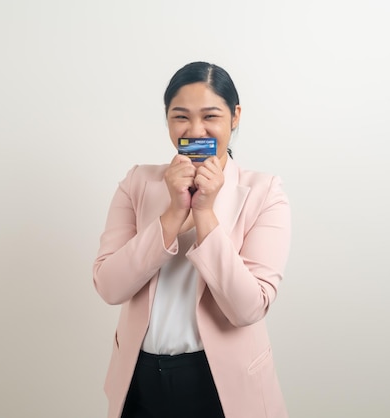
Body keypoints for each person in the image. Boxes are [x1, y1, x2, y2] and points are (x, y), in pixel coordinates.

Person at [93, 61, 291, 418]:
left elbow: (248, 308)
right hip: (138, 383)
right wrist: (172, 213)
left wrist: (204, 213)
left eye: (211, 116)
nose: (195, 129)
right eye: (180, 116)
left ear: (235, 116)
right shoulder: (137, 183)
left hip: (223, 388)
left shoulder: (265, 192)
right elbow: (109, 287)